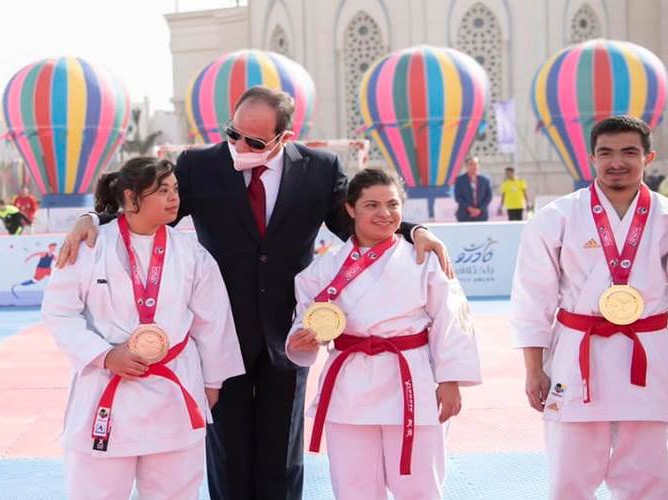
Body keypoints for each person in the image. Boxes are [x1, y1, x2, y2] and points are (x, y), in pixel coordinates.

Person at [56, 86, 453, 500]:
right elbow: (151, 210)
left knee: (282, 452)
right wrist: (92, 219)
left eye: (255, 141)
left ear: (285, 136)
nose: (240, 146)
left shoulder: (320, 168)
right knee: (227, 450)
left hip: (290, 331)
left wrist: (415, 230)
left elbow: (356, 222)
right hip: (221, 333)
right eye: (234, 133)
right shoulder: (199, 165)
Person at [510, 115, 668, 500]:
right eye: (606, 153)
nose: (617, 162)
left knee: (647, 475)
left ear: (648, 157)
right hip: (577, 353)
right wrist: (534, 369)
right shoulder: (556, 217)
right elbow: (532, 298)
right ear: (592, 158)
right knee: (569, 474)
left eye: (629, 152)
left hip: (647, 354)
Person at [41, 157, 244, 500]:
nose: (173, 198)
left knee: (176, 493)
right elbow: (59, 312)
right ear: (131, 197)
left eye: (175, 189)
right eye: (162, 190)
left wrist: (212, 383)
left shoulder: (191, 252)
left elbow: (214, 321)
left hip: (174, 391)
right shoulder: (90, 246)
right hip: (107, 388)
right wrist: (105, 356)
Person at [286, 169, 481, 499]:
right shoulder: (324, 267)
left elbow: (452, 319)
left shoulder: (424, 259)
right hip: (349, 387)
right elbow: (305, 318)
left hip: (411, 382)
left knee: (419, 487)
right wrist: (302, 340)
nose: (385, 214)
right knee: (353, 487)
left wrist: (450, 380)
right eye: (371, 205)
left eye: (393, 204)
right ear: (350, 209)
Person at [453, 156, 492, 222]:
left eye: (476, 164)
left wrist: (479, 209)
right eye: (471, 164)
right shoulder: (459, 180)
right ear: (466, 166)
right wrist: (470, 208)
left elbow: (489, 196)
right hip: (464, 215)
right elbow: (458, 197)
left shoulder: (485, 180)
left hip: (481, 215)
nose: (474, 166)